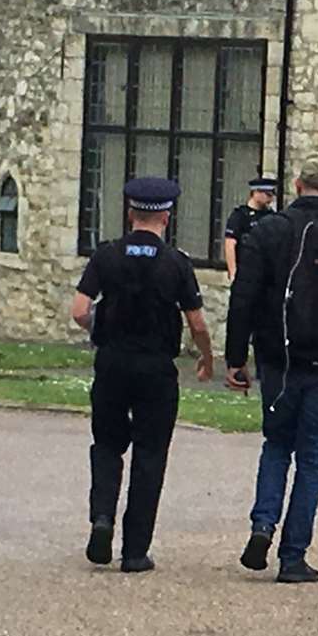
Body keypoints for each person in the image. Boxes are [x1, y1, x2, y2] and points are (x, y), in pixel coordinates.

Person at [224, 158, 318, 584]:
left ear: (296, 184)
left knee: (276, 444)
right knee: (312, 459)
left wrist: (236, 357)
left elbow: (244, 297)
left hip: (280, 358)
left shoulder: (268, 231)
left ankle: (262, 523)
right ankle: (293, 556)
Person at [69, 177, 214, 573]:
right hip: (156, 369)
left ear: (130, 214)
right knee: (150, 455)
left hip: (113, 362)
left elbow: (80, 309)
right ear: (166, 217)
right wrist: (206, 358)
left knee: (107, 444)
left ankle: (102, 517)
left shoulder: (106, 257)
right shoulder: (176, 263)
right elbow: (197, 322)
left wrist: (100, 331)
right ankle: (135, 550)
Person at [223, 176, 277, 281]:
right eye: (268, 195)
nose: (270, 199)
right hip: (246, 270)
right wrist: (233, 272)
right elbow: (230, 244)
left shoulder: (271, 216)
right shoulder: (240, 215)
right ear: (256, 192)